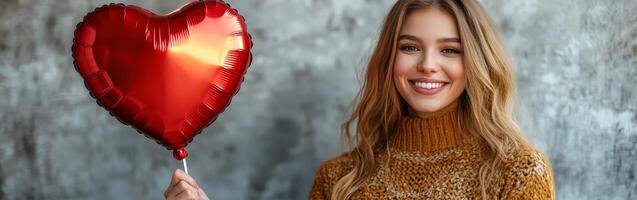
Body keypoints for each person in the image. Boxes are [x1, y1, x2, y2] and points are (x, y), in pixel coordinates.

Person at [164, 0, 555, 199]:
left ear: (477, 62)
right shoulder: (339, 180)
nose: (428, 65)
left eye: (450, 50)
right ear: (390, 58)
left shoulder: (516, 173)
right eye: (410, 47)